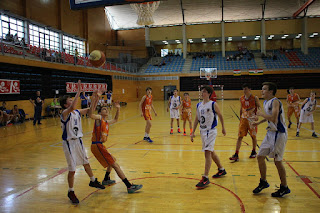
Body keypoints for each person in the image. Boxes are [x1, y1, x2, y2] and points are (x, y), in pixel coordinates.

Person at [59, 80, 105, 205]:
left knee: (86, 162)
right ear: (65, 105)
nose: (72, 100)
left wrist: (96, 97)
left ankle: (93, 180)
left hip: (78, 141)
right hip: (69, 143)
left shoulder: (77, 112)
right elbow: (73, 106)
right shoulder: (64, 113)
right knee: (72, 169)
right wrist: (79, 91)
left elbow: (91, 111)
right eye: (69, 99)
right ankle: (71, 191)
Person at [88, 90, 143, 193]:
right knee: (115, 165)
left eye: (106, 109)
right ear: (100, 113)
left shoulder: (106, 122)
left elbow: (116, 119)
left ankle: (106, 179)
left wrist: (118, 109)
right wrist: (95, 99)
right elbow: (91, 115)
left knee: (112, 159)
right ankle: (129, 186)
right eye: (104, 109)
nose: (106, 110)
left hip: (99, 146)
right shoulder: (99, 119)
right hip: (96, 145)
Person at [252, 82, 290, 197]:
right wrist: (259, 121)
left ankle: (284, 187)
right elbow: (269, 118)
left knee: (277, 161)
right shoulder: (266, 102)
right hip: (270, 133)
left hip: (279, 134)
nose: (262, 91)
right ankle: (263, 181)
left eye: (264, 89)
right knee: (260, 157)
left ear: (271, 91)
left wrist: (261, 115)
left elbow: (273, 118)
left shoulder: (275, 102)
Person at [190, 86, 227, 189]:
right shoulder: (199, 105)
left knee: (207, 152)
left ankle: (205, 177)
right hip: (202, 131)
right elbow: (196, 119)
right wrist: (192, 131)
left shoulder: (213, 104)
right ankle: (221, 169)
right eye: (202, 91)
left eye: (205, 91)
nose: (203, 93)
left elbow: (220, 115)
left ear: (209, 93)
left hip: (210, 131)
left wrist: (223, 128)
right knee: (211, 151)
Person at [229, 84, 260, 162]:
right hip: (243, 119)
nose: (244, 90)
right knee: (240, 136)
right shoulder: (241, 98)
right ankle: (236, 154)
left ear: (250, 89)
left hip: (252, 119)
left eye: (246, 89)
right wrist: (240, 119)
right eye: (243, 89)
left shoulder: (255, 98)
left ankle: (253, 151)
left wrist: (257, 116)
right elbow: (241, 108)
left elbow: (259, 107)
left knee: (253, 136)